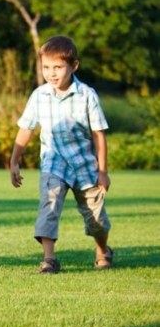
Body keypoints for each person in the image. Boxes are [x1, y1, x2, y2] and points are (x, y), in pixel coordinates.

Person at [9, 35, 112, 274]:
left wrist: (103, 171)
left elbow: (99, 135)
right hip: (53, 164)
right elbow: (26, 129)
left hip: (85, 166)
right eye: (46, 67)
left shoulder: (87, 95)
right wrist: (15, 161)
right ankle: (49, 259)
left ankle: (103, 250)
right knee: (49, 205)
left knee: (96, 220)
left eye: (58, 67)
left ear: (73, 66)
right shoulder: (39, 95)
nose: (51, 73)